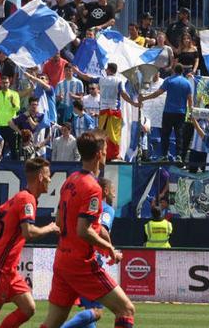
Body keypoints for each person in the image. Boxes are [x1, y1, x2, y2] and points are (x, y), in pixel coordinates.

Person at [39, 131, 135, 328]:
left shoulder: (70, 180)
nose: (108, 154)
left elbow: (60, 220)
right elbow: (84, 230)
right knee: (126, 310)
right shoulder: (92, 187)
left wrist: (104, 242)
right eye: (106, 150)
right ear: (99, 154)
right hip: (80, 263)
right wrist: (108, 249)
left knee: (52, 323)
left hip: (62, 260)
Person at [0, 157, 59, 328]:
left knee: (28, 308)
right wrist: (50, 228)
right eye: (48, 175)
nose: (50, 179)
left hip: (7, 267)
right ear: (40, 176)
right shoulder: (27, 199)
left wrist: (0, 239)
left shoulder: (20, 197)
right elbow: (29, 232)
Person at [61, 177, 117, 328]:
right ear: (105, 191)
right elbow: (103, 229)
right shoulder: (107, 209)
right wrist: (111, 249)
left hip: (70, 258)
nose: (114, 194)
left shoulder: (83, 204)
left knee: (89, 310)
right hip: (88, 262)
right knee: (97, 310)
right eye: (112, 190)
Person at [141, 64, 194, 162]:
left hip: (168, 112)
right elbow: (190, 100)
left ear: (173, 70)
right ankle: (178, 156)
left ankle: (164, 155)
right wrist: (191, 112)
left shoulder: (169, 80)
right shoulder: (187, 83)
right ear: (182, 72)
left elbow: (158, 93)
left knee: (165, 135)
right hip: (181, 113)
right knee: (179, 135)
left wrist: (144, 98)